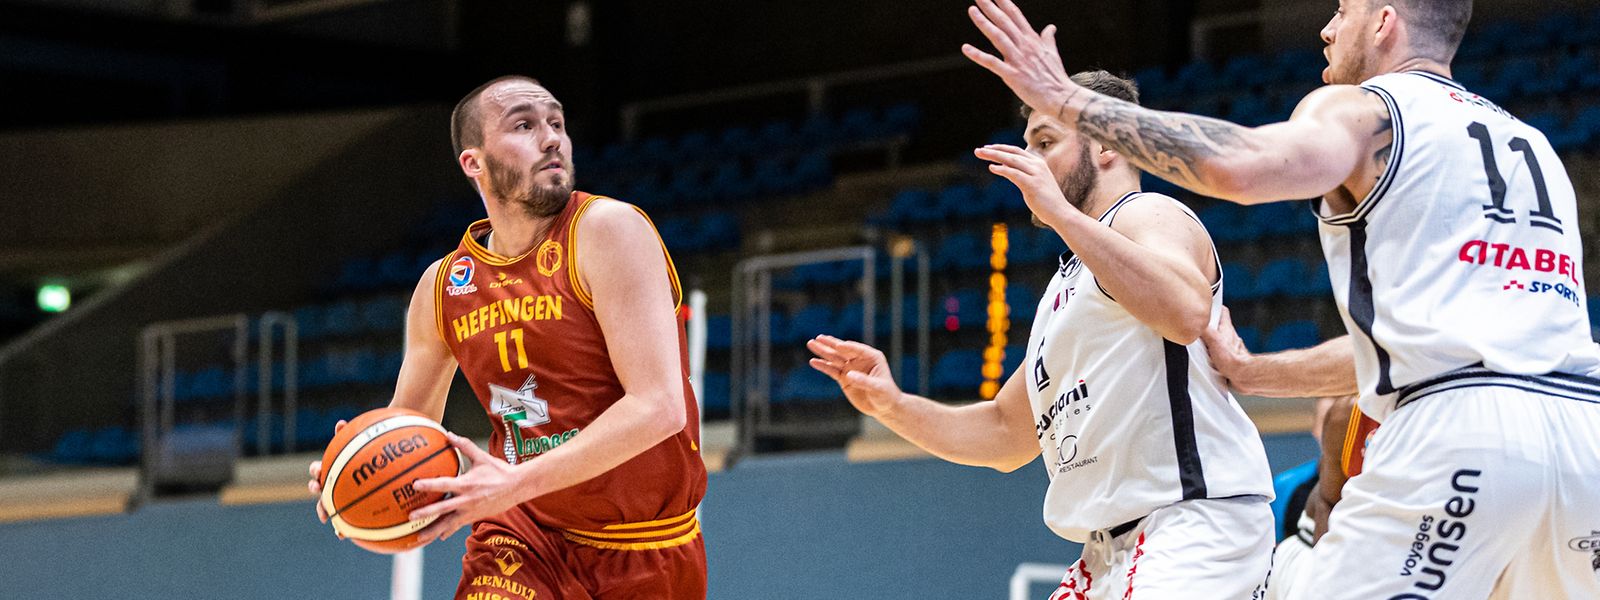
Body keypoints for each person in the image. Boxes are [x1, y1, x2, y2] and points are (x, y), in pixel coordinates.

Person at [962, 0, 1600, 597]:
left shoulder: (1363, 110)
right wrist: (1253, 372)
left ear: (1383, 23)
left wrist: (1072, 103)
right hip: (1581, 438)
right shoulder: (1533, 149)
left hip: (1461, 433)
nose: (1326, 29)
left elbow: (1238, 168)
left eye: (1342, 11)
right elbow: (1429, 347)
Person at [808, 70, 1275, 600]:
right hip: (1107, 551)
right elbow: (1006, 434)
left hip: (1190, 527)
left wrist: (1057, 212)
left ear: (1104, 145)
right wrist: (891, 406)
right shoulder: (1065, 283)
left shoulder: (1148, 214)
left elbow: (1186, 309)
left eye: (1046, 143)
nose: (1028, 159)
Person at [307, 75, 707, 600]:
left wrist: (515, 482)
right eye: (524, 124)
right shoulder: (444, 286)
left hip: (646, 550)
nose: (551, 139)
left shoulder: (608, 230)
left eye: (557, 124)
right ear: (474, 163)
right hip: (519, 536)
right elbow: (409, 424)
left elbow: (658, 407)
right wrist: (355, 461)